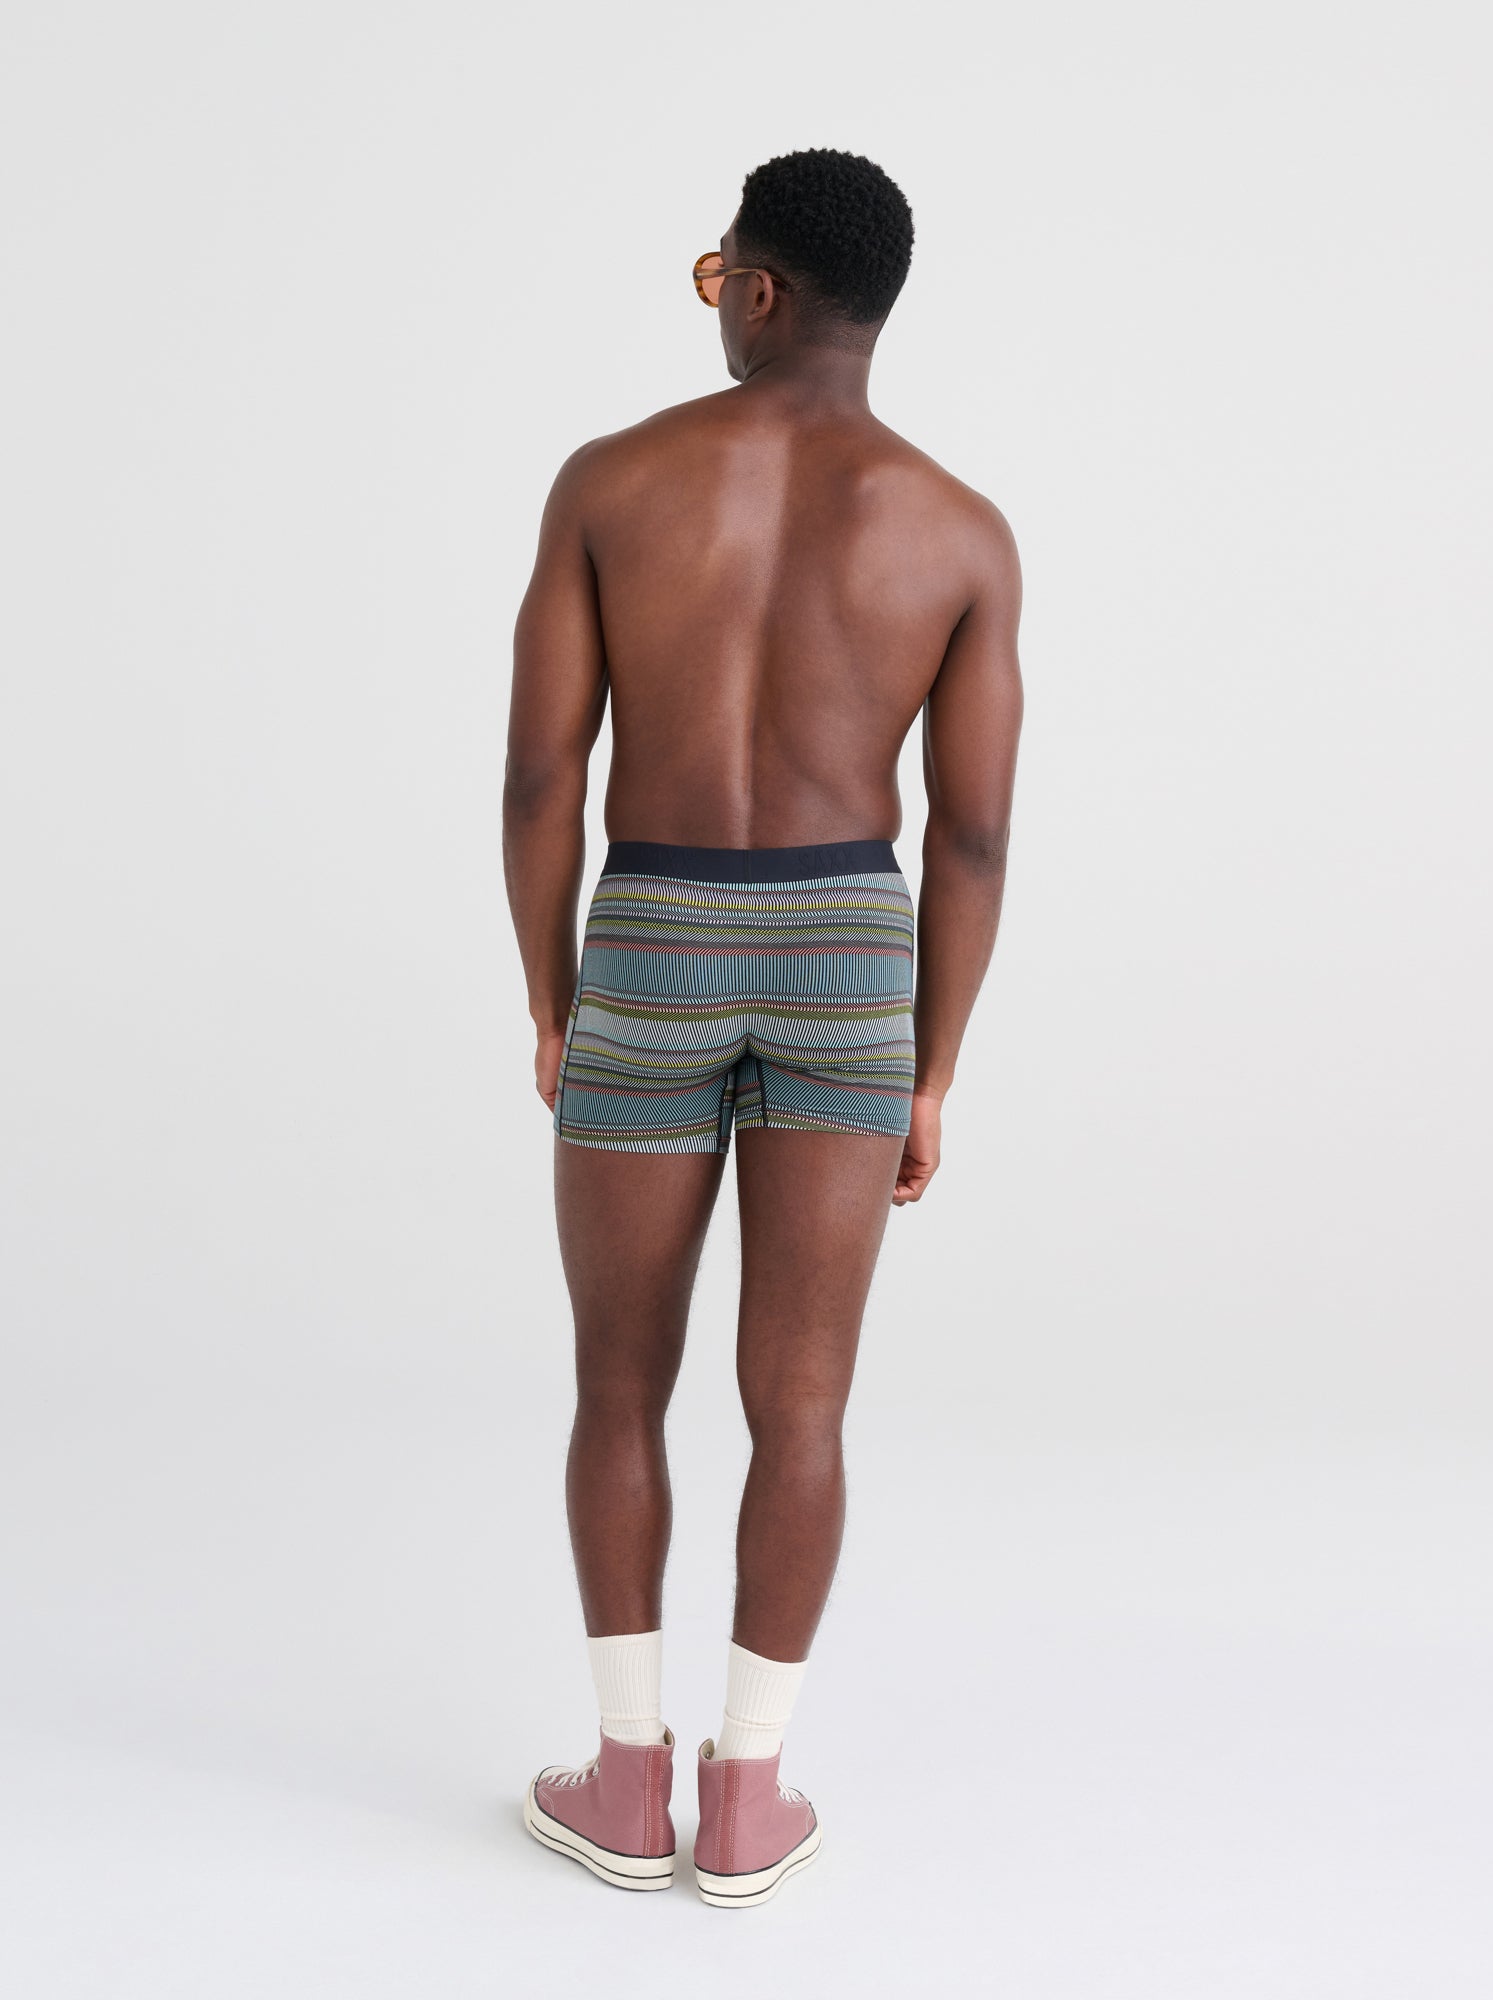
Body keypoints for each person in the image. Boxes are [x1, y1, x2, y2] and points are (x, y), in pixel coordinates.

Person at [504, 147, 1022, 1907]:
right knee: (801, 1404)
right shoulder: (959, 529)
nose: (712, 292)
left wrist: (555, 998)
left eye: (718, 269)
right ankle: (746, 1796)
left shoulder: (611, 481)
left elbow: (539, 776)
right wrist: (930, 1069)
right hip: (850, 955)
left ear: (764, 288)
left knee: (619, 1380)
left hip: (653, 927)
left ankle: (623, 1777)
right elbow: (971, 836)